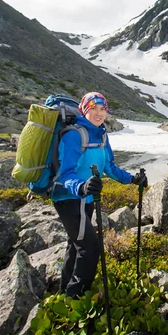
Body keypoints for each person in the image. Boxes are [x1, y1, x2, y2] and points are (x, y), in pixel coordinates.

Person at [50, 91, 148, 298]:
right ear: (84, 109)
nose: (98, 113)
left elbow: (109, 167)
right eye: (93, 108)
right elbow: (65, 173)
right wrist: (82, 186)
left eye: (102, 109)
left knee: (75, 245)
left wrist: (132, 179)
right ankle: (76, 299)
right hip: (69, 199)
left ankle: (64, 292)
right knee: (90, 249)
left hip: (86, 198)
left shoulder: (101, 134)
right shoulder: (74, 135)